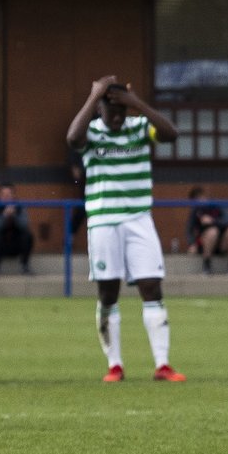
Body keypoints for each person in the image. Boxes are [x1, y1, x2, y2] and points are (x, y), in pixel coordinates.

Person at [67, 76, 186, 384]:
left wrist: (136, 103)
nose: (118, 117)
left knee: (152, 287)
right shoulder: (92, 131)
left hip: (139, 220)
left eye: (122, 111)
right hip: (103, 222)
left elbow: (171, 134)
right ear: (100, 109)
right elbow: (72, 139)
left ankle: (162, 365)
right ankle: (115, 365)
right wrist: (94, 95)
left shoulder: (139, 127)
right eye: (112, 110)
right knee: (108, 292)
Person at [185, 186, 228, 274]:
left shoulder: (217, 205)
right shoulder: (195, 211)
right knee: (212, 232)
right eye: (196, 200)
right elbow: (189, 229)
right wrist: (192, 244)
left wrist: (213, 221)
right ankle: (207, 264)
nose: (200, 201)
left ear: (205, 196)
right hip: (206, 243)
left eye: (200, 198)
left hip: (223, 242)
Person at [0, 182, 33, 274]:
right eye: (3, 194)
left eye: (9, 194)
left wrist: (14, 215)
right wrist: (4, 215)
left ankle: (25, 266)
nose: (6, 197)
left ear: (13, 195)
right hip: (0, 246)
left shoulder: (19, 206)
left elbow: (25, 225)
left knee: (27, 235)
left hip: (16, 245)